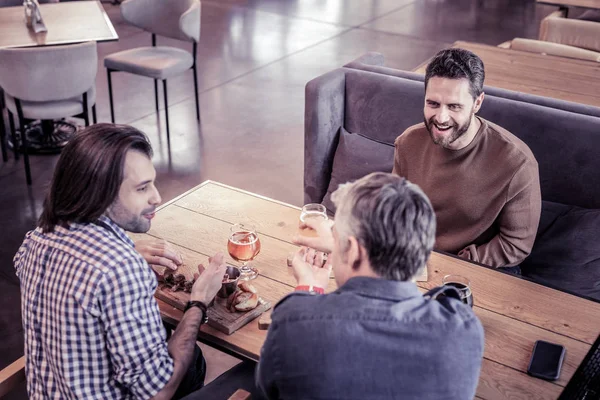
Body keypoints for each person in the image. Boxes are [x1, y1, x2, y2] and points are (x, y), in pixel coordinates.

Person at [14, 123, 230, 399]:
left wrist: (122, 250)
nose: (157, 197)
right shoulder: (119, 269)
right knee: (230, 371)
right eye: (142, 189)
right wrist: (199, 300)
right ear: (98, 194)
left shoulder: (35, 240)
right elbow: (161, 392)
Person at [256, 172, 484, 399]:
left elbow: (268, 389)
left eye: (336, 237)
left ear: (354, 250)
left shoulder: (294, 322)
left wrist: (308, 289)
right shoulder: (463, 331)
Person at [393, 48, 541, 269]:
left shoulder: (517, 163)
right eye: (433, 104)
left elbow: (516, 245)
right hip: (412, 259)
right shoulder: (408, 142)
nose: (441, 118)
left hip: (475, 269)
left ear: (477, 103)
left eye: (454, 106)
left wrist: (454, 265)